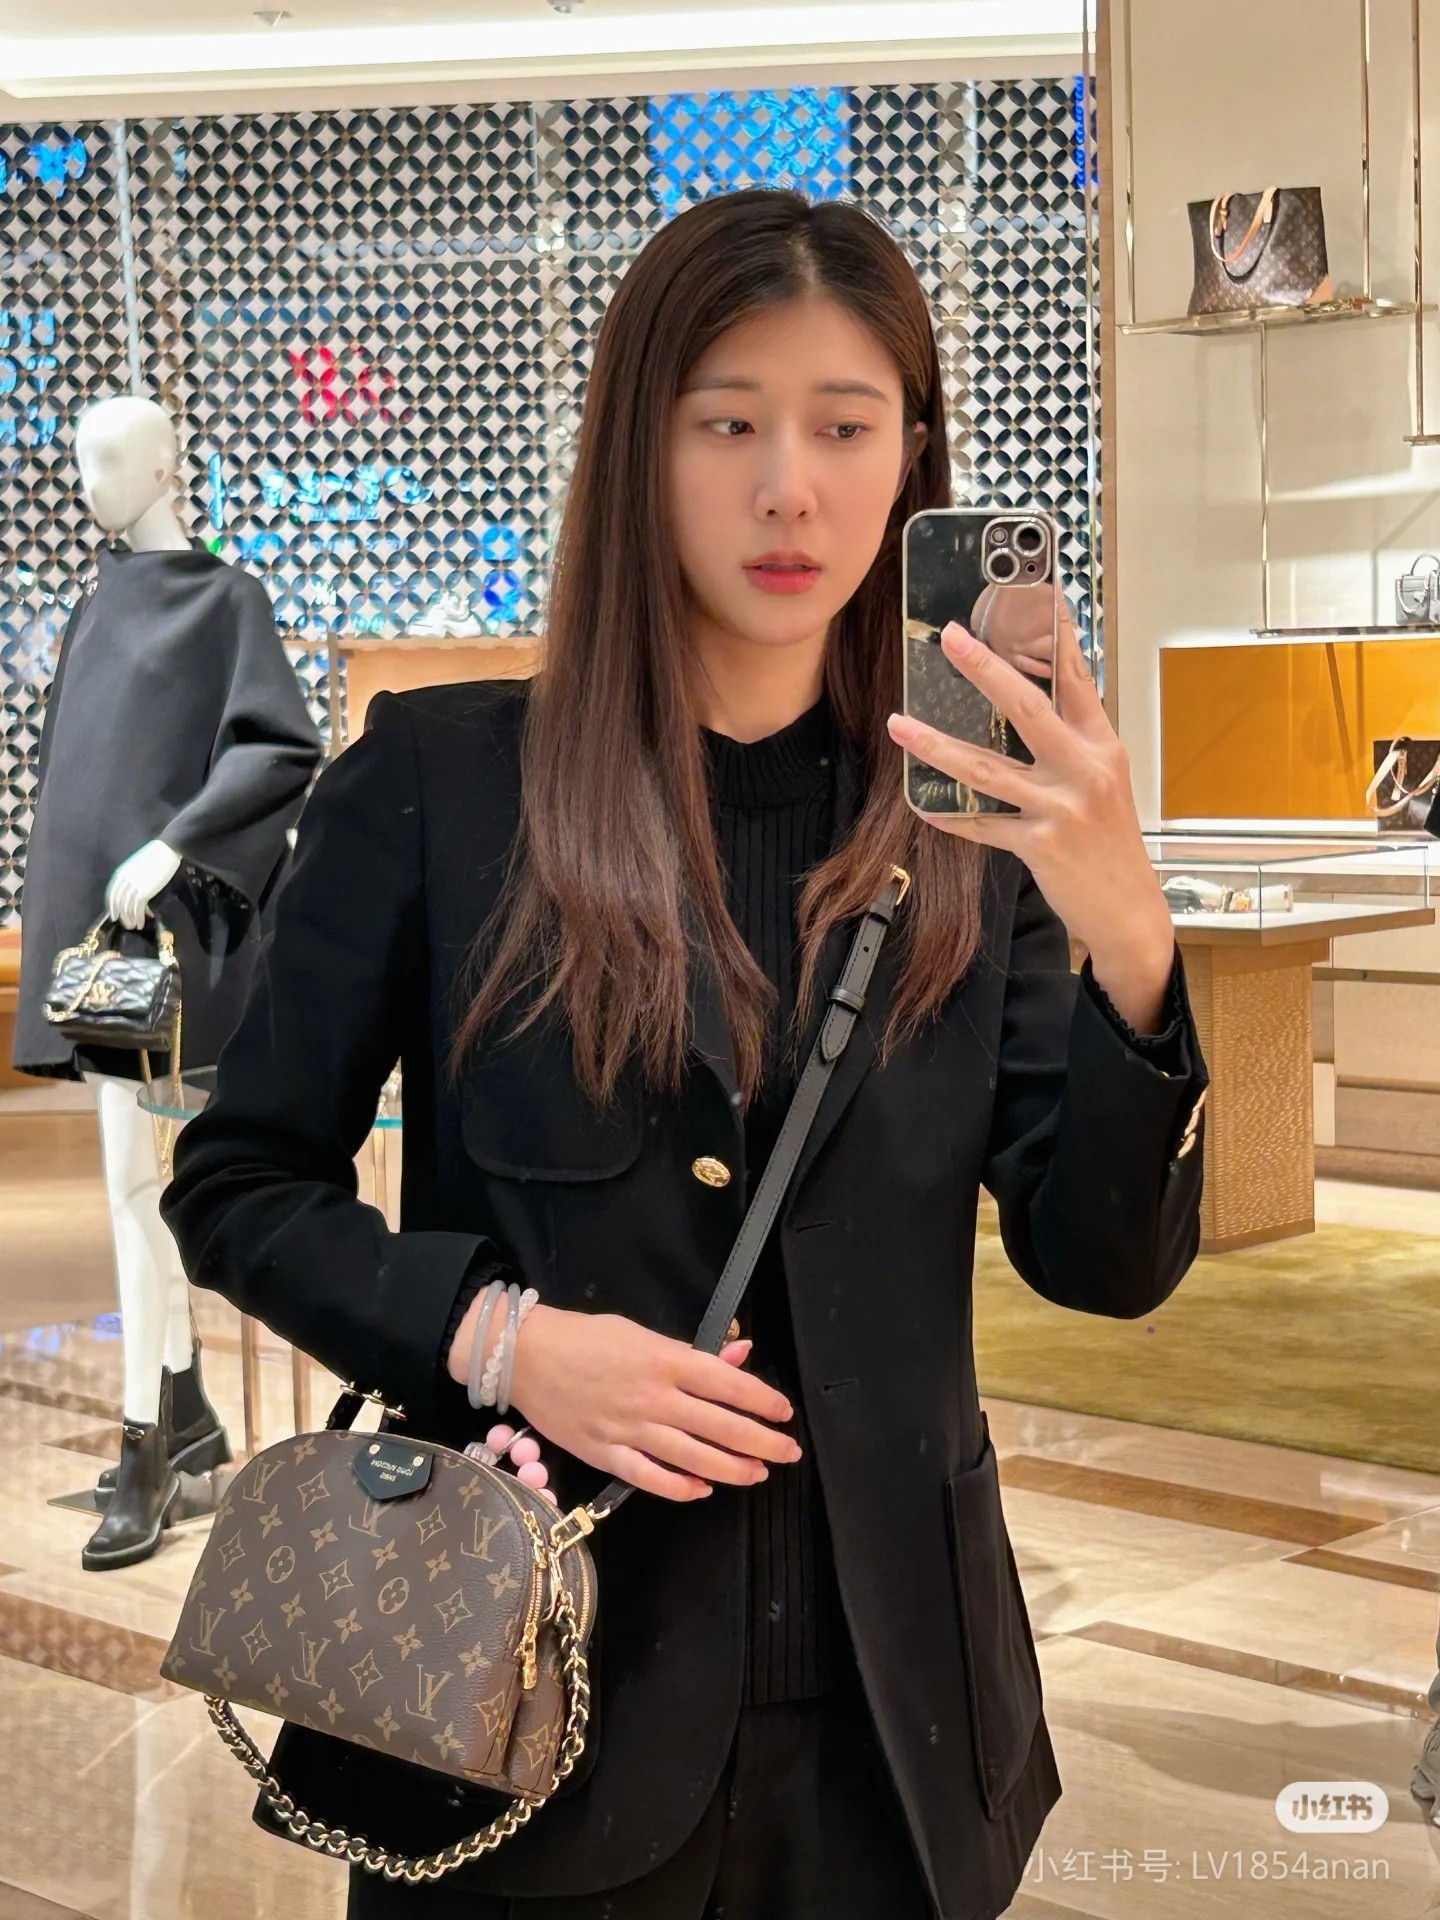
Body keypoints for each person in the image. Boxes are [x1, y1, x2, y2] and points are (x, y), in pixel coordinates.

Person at [160, 187, 1210, 1920]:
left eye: (845, 427)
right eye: (729, 424)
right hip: (521, 1710)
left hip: (898, 1744)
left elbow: (1104, 1263)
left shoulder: (975, 832)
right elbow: (242, 1183)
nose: (789, 487)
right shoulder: (443, 786)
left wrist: (1130, 940)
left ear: (912, 460)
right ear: (639, 448)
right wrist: (504, 1341)